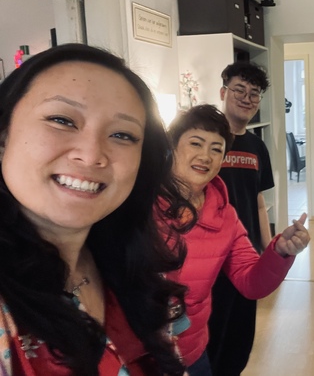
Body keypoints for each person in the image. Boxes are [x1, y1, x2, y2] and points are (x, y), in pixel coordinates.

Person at [0, 43, 193, 375]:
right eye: (61, 120)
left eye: (122, 135)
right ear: (4, 136)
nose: (91, 156)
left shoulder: (131, 266)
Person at [158, 104, 309, 376]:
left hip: (193, 354)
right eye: (196, 143)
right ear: (172, 147)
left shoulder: (225, 216)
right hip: (135, 356)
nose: (205, 156)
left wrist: (280, 252)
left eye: (216, 149)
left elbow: (251, 282)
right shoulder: (138, 204)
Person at [206, 61, 275, 376]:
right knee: (211, 334)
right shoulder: (207, 142)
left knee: (241, 335)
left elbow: (258, 202)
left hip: (245, 256)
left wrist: (268, 250)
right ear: (223, 93)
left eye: (254, 93)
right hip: (210, 257)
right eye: (239, 90)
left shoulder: (257, 146)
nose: (247, 99)